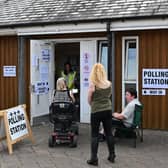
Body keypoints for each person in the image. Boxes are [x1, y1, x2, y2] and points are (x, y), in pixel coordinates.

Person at [87, 63, 116, 166]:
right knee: (109, 133)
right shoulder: (108, 84)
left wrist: (93, 105)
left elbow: (89, 99)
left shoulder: (93, 84)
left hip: (96, 111)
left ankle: (94, 158)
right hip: (107, 109)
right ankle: (112, 155)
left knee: (94, 134)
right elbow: (109, 96)